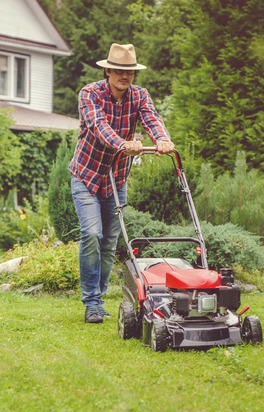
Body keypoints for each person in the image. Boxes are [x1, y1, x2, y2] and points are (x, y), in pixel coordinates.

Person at [69, 43, 175, 324]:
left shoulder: (140, 96)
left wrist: (161, 139)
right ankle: (91, 302)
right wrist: (123, 144)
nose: (124, 76)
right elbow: (98, 126)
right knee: (92, 234)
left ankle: (98, 300)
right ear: (108, 70)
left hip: (116, 179)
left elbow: (151, 118)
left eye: (129, 72)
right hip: (87, 175)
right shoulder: (90, 93)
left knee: (109, 243)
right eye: (118, 70)